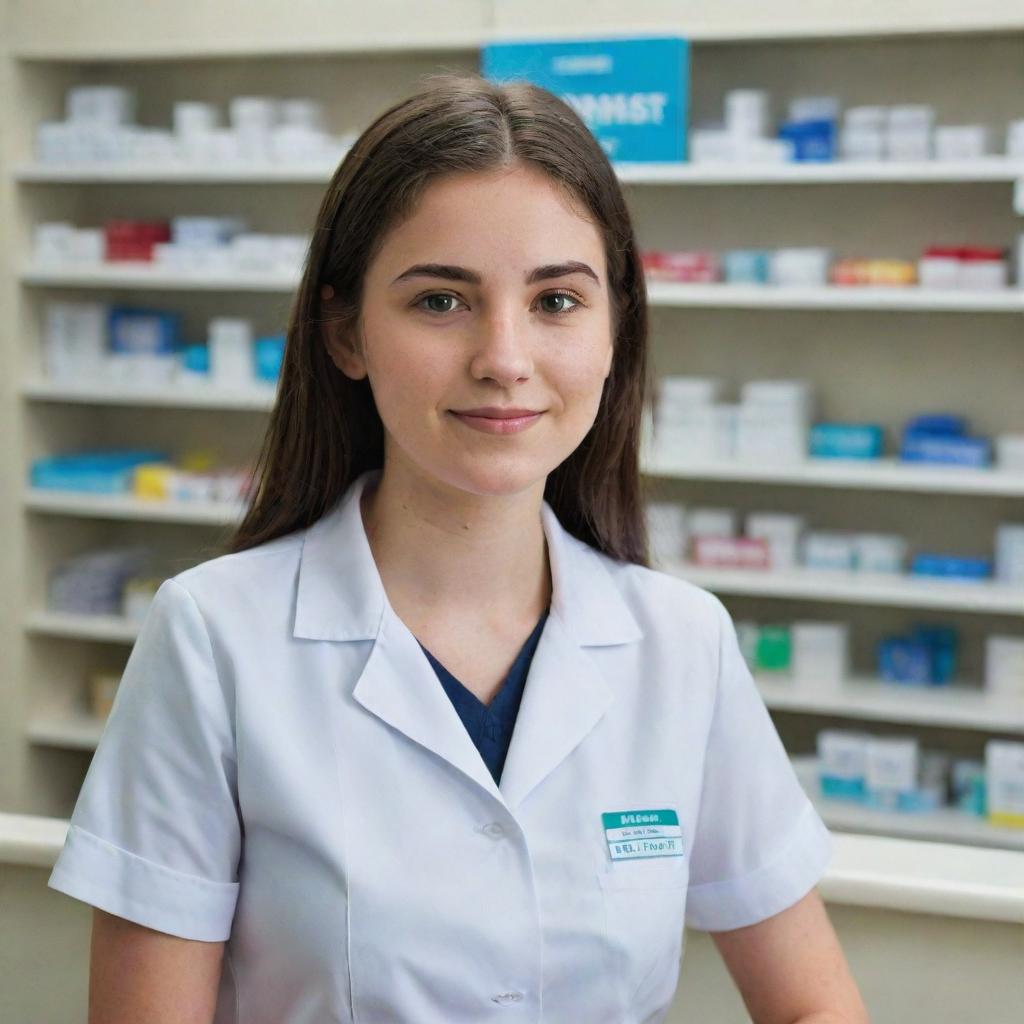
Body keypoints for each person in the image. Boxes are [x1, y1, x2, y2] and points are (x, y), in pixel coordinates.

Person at [47, 71, 869, 1023]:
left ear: (615, 332)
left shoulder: (681, 643)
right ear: (345, 332)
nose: (505, 358)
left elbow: (816, 1005)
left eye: (557, 301)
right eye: (441, 302)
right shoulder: (214, 639)